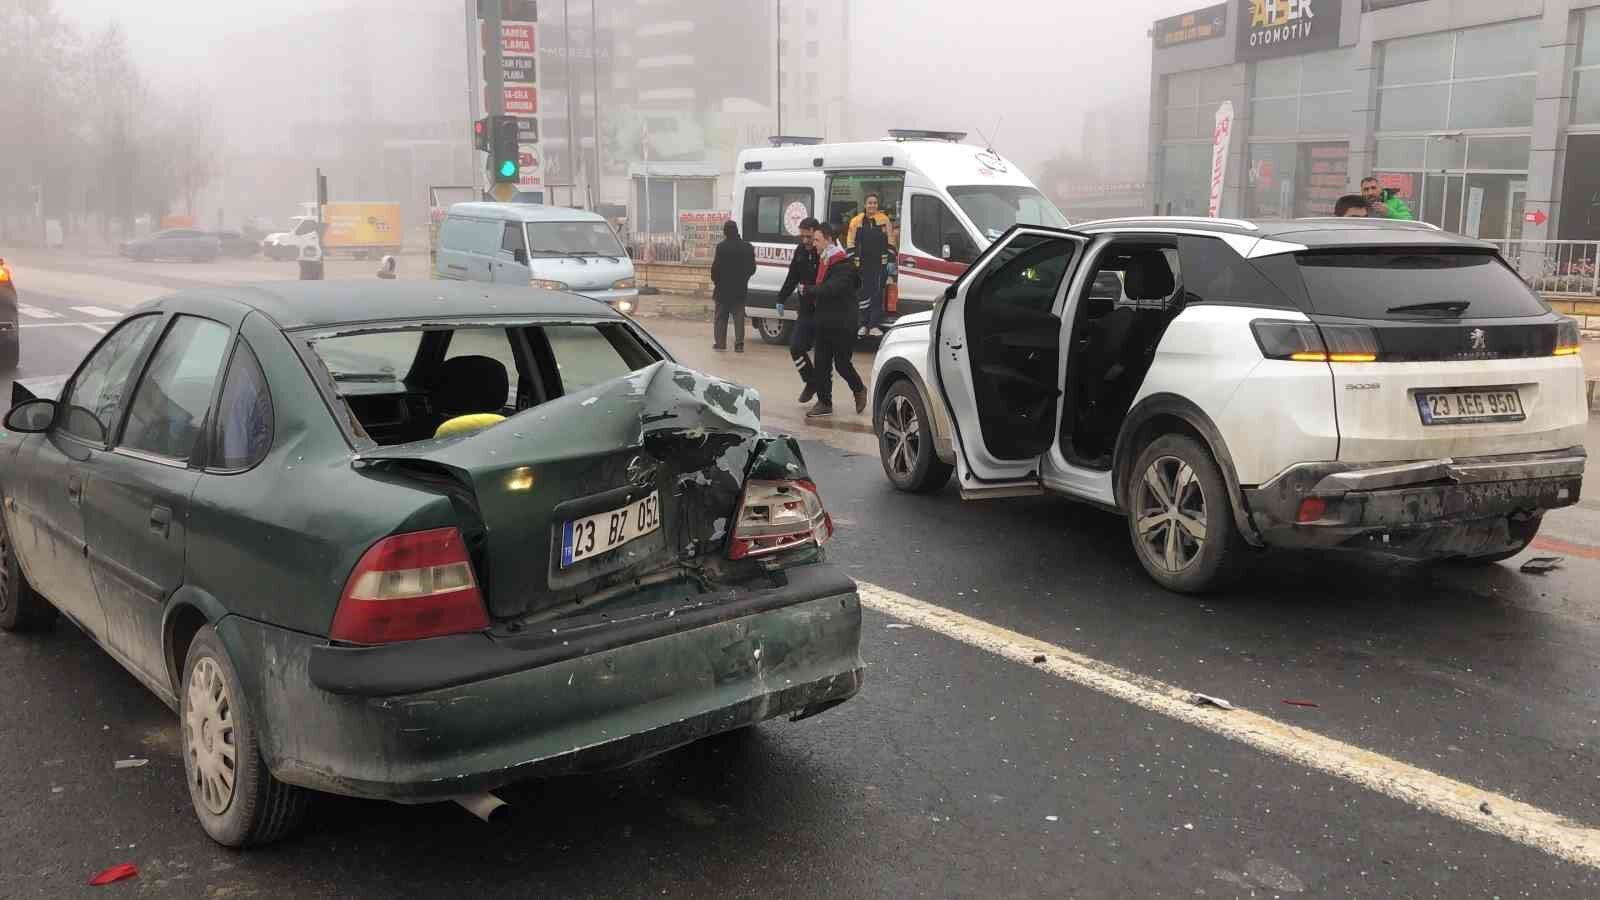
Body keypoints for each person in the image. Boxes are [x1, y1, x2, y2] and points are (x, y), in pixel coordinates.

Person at [807, 222, 868, 418]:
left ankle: (859, 389)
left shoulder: (843, 264)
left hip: (843, 323)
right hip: (825, 322)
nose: (813, 244)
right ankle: (824, 402)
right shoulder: (824, 260)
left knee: (842, 363)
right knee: (821, 364)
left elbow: (832, 288)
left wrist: (810, 290)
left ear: (828, 240)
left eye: (816, 240)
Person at [778, 216, 822, 402]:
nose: (805, 241)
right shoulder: (800, 251)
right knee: (796, 347)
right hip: (805, 309)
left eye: (808, 237)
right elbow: (792, 277)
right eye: (801, 237)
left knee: (826, 358)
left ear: (816, 233)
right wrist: (781, 298)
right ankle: (810, 382)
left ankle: (853, 390)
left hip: (823, 310)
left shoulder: (824, 253)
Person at [847, 192, 894, 338]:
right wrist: (853, 261)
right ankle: (862, 325)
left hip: (880, 264)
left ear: (877, 205)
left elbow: (891, 240)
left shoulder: (884, 219)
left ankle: (873, 325)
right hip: (862, 264)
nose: (872, 205)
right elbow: (850, 242)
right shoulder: (856, 221)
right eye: (870, 203)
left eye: (874, 203)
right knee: (863, 295)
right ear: (865, 204)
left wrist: (891, 263)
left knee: (877, 294)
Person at [710, 219, 756, 351]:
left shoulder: (721, 247)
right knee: (739, 318)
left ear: (725, 232)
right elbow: (752, 268)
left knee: (720, 318)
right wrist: (744, 279)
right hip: (740, 289)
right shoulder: (748, 247)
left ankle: (720, 343)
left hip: (722, 289)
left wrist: (716, 281)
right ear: (737, 231)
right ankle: (739, 344)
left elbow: (715, 269)